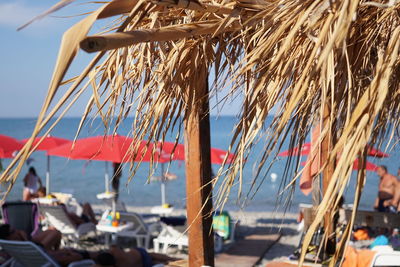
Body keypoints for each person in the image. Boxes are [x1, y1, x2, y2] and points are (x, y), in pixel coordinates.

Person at [0, 223, 177, 267]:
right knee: (143, 254)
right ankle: (176, 260)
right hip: (99, 259)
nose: (19, 230)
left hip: (95, 257)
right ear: (11, 235)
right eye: (15, 230)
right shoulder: (31, 247)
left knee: (147, 255)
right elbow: (62, 258)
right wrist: (73, 254)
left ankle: (174, 259)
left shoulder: (21, 251)